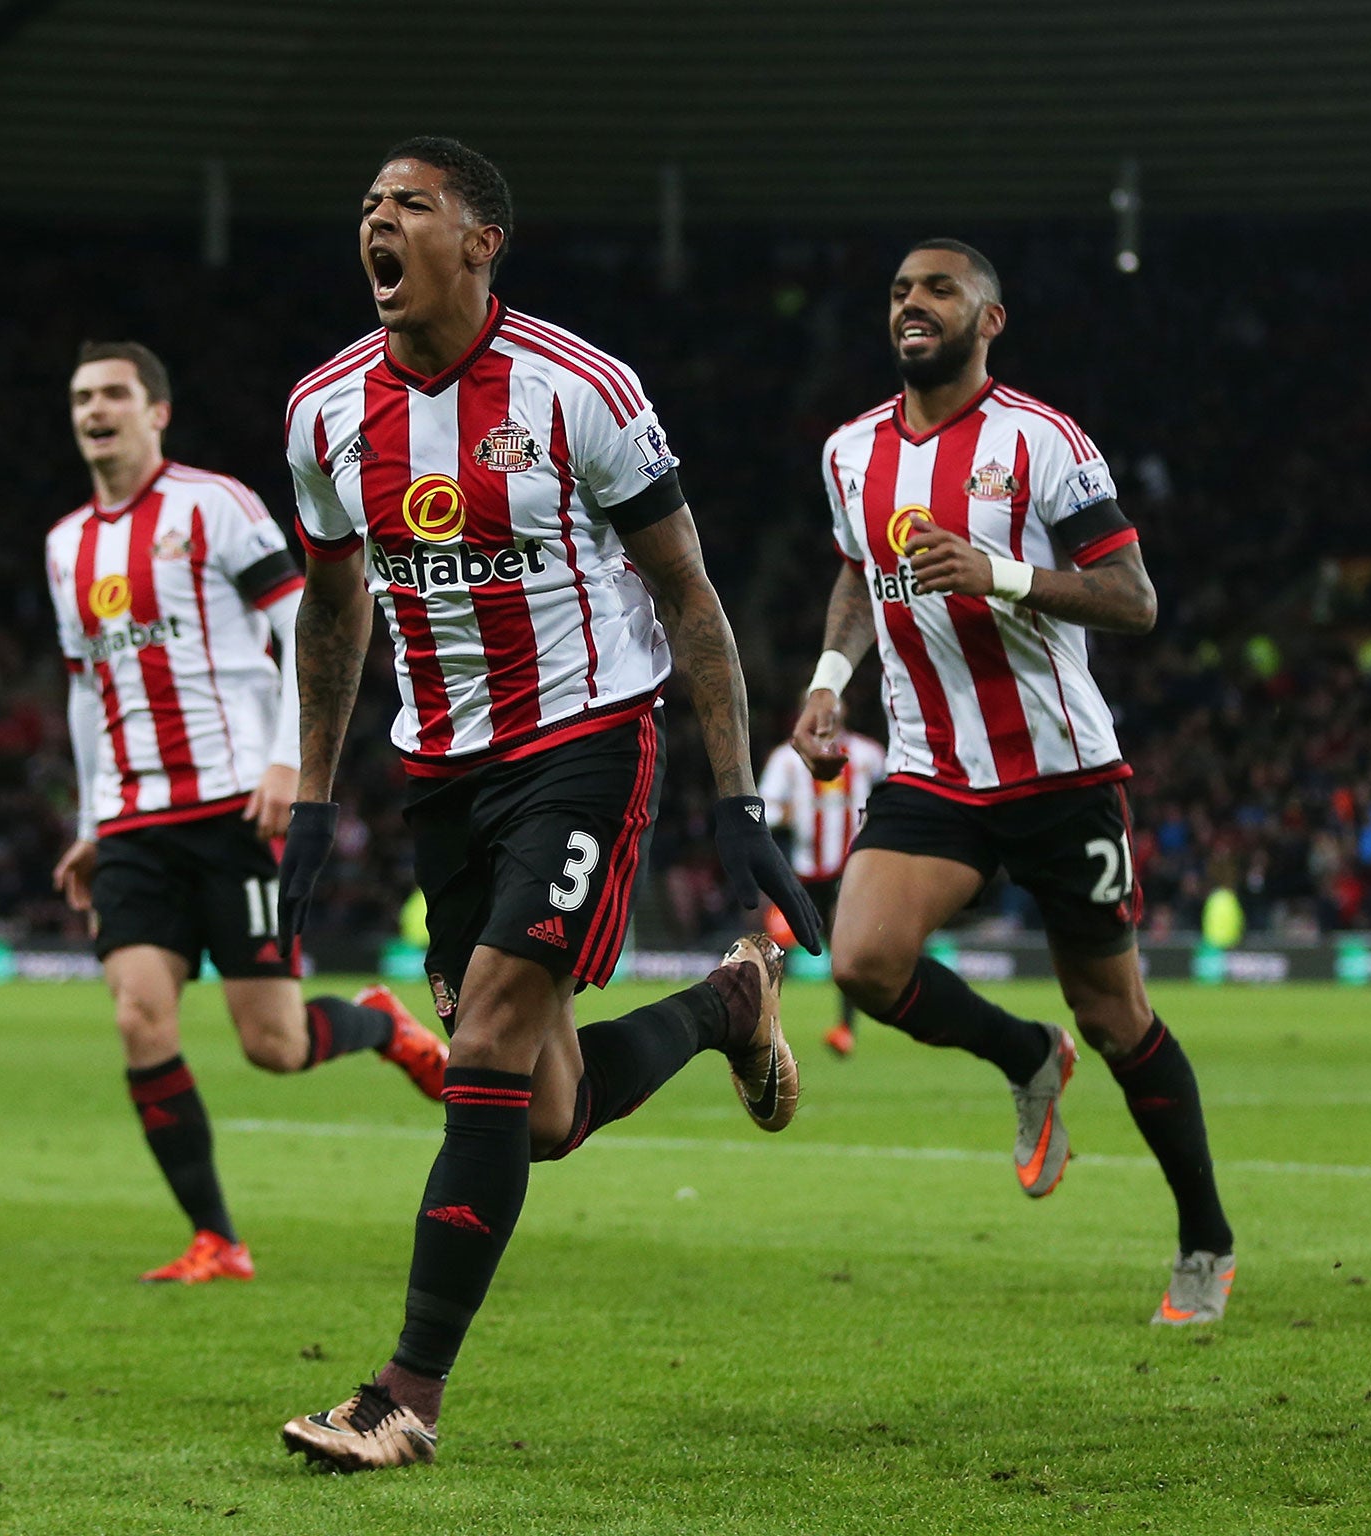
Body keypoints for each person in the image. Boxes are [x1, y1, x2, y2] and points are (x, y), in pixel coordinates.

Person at [273, 137, 821, 1470]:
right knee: (548, 1114)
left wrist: (738, 791)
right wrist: (311, 798)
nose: (379, 222)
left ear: (480, 240)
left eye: (410, 203)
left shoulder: (581, 389)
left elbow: (688, 593)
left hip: (585, 741)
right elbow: (335, 607)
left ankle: (405, 1394)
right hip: (442, 775)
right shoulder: (323, 412)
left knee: (490, 1044)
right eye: (368, 205)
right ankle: (726, 1005)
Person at [794, 239, 1235, 1327]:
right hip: (931, 765)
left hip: (1058, 772)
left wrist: (996, 571)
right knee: (858, 959)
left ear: (988, 321)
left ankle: (1203, 1240)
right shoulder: (849, 452)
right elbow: (858, 571)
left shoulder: (1042, 443)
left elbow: (1131, 599)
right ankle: (1024, 1054)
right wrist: (826, 680)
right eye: (900, 290)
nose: (912, 304)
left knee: (1117, 1013)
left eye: (938, 290)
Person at [46, 340, 449, 1287]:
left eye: (113, 395)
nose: (94, 411)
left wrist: (286, 762)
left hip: (237, 806)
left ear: (156, 412)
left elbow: (301, 620)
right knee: (140, 1018)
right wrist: (91, 818)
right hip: (137, 821)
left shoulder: (212, 505)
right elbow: (83, 690)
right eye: (80, 399)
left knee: (274, 1046)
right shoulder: (68, 546)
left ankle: (383, 1026)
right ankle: (217, 1240)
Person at [757, 714, 885, 1056]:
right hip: (803, 870)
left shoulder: (866, 753)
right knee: (777, 944)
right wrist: (788, 815)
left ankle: (845, 1028)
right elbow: (763, 806)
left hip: (850, 867)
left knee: (844, 947)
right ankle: (760, 1026)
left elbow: (895, 787)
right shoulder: (787, 758)